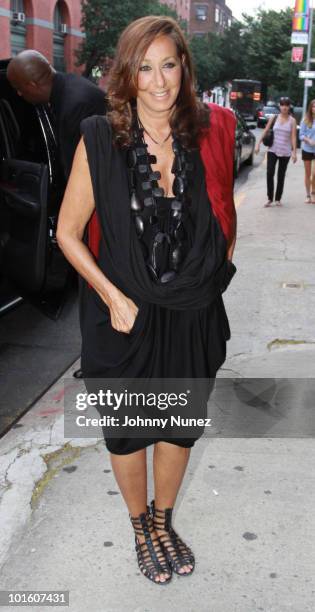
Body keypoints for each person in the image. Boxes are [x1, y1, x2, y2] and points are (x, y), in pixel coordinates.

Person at [56, 16, 237, 586]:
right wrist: (110, 294)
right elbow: (66, 231)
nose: (158, 81)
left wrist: (210, 276)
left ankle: (165, 520)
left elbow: (225, 213)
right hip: (122, 310)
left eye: (169, 65)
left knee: (178, 424)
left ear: (184, 69)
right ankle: (140, 526)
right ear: (126, 75)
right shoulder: (98, 136)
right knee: (131, 427)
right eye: (144, 67)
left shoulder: (211, 131)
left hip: (189, 309)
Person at [7, 50, 107, 379]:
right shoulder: (66, 92)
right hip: (96, 210)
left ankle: (100, 362)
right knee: (91, 287)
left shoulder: (77, 104)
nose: (20, 95)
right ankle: (97, 359)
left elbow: (81, 174)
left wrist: (66, 225)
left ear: (36, 82)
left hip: (100, 214)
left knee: (94, 286)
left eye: (21, 89)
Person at [7, 50, 106, 181]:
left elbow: (79, 177)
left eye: (18, 88)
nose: (19, 93)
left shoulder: (73, 107)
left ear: (32, 85)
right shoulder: (70, 87)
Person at [255, 96, 297, 207]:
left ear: (289, 107)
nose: (284, 107)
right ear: (279, 106)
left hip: (285, 152)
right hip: (273, 150)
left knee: (281, 175)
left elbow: (293, 137)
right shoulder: (274, 118)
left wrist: (294, 152)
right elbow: (265, 130)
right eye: (282, 104)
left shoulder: (292, 121)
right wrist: (258, 144)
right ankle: (270, 198)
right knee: (270, 173)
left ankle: (278, 199)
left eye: (287, 105)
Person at [299, 98, 315, 204]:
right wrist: (308, 140)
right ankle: (308, 195)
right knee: (308, 173)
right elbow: (301, 135)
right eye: (313, 106)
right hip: (307, 149)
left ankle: (313, 192)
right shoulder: (306, 119)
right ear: (310, 108)